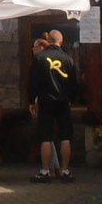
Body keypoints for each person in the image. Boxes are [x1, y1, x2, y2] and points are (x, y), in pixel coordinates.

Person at [28, 29, 76, 182]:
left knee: (46, 137)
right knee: (65, 136)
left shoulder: (39, 58)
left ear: (49, 41)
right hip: (63, 102)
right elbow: (74, 84)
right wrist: (71, 99)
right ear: (61, 42)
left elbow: (33, 82)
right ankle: (65, 171)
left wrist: (31, 101)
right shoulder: (69, 60)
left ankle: (45, 171)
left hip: (46, 100)